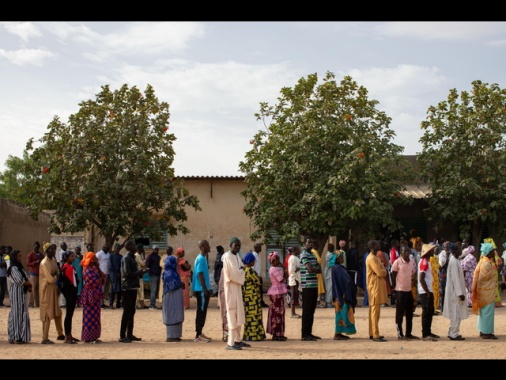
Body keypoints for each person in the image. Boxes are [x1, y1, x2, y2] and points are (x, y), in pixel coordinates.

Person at [222, 237, 248, 350]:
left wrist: (241, 269)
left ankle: (238, 340)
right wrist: (243, 270)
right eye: (236, 245)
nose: (237, 248)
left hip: (237, 287)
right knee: (232, 313)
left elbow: (240, 267)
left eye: (239, 246)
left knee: (238, 313)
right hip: (231, 288)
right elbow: (234, 273)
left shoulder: (236, 256)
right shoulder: (227, 257)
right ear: (231, 245)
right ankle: (230, 343)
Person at [119, 239, 147, 343]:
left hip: (133, 286)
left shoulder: (132, 257)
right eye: (134, 245)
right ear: (130, 247)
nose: (136, 247)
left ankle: (129, 334)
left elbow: (133, 273)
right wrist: (138, 272)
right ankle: (122, 336)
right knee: (127, 312)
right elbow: (127, 273)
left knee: (132, 311)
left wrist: (141, 273)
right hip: (127, 288)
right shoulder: (126, 258)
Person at [390, 244, 418, 340]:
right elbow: (393, 275)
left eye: (407, 251)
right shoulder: (397, 262)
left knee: (409, 313)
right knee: (400, 313)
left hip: (408, 290)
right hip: (400, 290)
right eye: (404, 251)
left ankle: (408, 333)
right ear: (401, 253)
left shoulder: (411, 261)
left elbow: (413, 273)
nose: (406, 253)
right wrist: (394, 288)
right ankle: (400, 334)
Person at [39, 242, 64, 344]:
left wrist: (55, 276)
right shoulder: (44, 263)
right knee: (47, 313)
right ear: (46, 251)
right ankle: (45, 338)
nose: (53, 251)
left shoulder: (53, 260)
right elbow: (50, 279)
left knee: (57, 312)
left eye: (54, 249)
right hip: (46, 290)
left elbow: (57, 272)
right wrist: (55, 276)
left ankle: (60, 334)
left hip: (54, 289)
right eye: (51, 249)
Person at [472, 242, 498, 340]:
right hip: (486, 292)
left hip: (483, 292)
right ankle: (487, 333)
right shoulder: (487, 263)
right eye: (492, 251)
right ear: (488, 252)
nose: (494, 253)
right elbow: (483, 278)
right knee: (488, 313)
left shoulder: (483, 261)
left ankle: (483, 330)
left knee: (483, 313)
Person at [442, 242, 468, 340]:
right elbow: (455, 279)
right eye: (459, 249)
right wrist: (460, 293)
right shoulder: (453, 262)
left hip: (456, 292)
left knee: (456, 313)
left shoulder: (456, 261)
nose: (461, 250)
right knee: (456, 314)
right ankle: (454, 334)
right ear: (455, 251)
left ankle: (453, 332)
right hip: (455, 293)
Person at [299, 236, 322, 341]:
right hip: (307, 285)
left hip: (314, 285)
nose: (311, 245)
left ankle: (309, 332)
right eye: (309, 243)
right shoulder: (303, 254)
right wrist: (315, 269)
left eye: (312, 243)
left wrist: (315, 269)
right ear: (304, 244)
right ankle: (305, 333)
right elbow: (310, 269)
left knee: (312, 310)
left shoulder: (312, 254)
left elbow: (318, 269)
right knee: (307, 310)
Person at [331, 249, 357, 340]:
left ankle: (339, 332)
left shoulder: (336, 268)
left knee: (340, 314)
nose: (343, 259)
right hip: (341, 296)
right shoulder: (338, 268)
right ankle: (337, 334)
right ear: (337, 259)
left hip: (338, 295)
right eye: (341, 257)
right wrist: (347, 293)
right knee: (342, 314)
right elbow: (346, 281)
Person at [365, 239, 388, 342]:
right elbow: (380, 272)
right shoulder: (371, 258)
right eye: (377, 244)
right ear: (373, 247)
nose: (379, 245)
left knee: (375, 311)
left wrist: (383, 269)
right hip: (374, 286)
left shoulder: (376, 257)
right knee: (375, 311)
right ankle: (375, 335)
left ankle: (372, 332)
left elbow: (383, 268)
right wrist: (383, 270)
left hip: (377, 286)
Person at [7, 249, 32, 344]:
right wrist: (29, 284)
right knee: (16, 314)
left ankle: (22, 336)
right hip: (16, 294)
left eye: (21, 256)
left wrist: (29, 285)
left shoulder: (20, 268)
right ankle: (16, 337)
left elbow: (26, 277)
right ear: (14, 257)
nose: (20, 258)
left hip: (22, 294)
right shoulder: (13, 268)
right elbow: (19, 281)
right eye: (18, 256)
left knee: (22, 313)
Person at [80, 250, 104, 343]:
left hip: (96, 294)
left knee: (96, 315)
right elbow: (91, 282)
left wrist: (98, 269)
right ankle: (88, 338)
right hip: (89, 294)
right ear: (91, 260)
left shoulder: (94, 268)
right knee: (89, 315)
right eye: (94, 258)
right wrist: (99, 280)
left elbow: (103, 277)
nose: (96, 259)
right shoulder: (86, 270)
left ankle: (95, 336)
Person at [242, 251, 267, 341]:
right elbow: (258, 281)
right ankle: (255, 335)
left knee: (248, 317)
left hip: (246, 297)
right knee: (255, 316)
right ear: (251, 262)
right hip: (253, 297)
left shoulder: (243, 270)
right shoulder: (251, 271)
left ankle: (248, 335)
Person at [192, 240, 212, 343]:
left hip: (201, 289)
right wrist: (205, 289)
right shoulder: (200, 259)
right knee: (201, 311)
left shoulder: (203, 258)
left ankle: (200, 333)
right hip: (201, 290)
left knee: (202, 311)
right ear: (203, 247)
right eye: (207, 245)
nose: (209, 246)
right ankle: (198, 335)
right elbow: (200, 274)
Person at [418, 243, 439, 341]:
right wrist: (427, 291)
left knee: (430, 311)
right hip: (425, 291)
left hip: (427, 289)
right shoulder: (424, 262)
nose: (433, 251)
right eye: (431, 250)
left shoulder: (427, 261)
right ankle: (425, 334)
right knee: (426, 312)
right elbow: (421, 278)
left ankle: (428, 332)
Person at [162, 255, 185, 342]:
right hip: (171, 298)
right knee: (172, 314)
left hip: (175, 297)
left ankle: (176, 335)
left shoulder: (174, 273)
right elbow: (172, 285)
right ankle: (171, 336)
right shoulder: (168, 273)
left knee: (177, 313)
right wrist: (181, 284)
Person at [266, 251, 287, 341]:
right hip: (276, 293)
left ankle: (279, 333)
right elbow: (281, 280)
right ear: (273, 261)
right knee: (277, 314)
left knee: (279, 313)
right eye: (277, 260)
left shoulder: (274, 269)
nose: (278, 261)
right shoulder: (274, 269)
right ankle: (277, 334)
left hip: (277, 292)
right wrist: (284, 269)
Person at [60, 251, 80, 344]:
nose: (73, 258)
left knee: (70, 315)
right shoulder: (66, 267)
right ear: (67, 257)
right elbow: (71, 281)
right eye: (71, 256)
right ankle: (67, 336)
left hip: (72, 292)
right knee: (68, 315)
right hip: (69, 292)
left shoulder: (71, 267)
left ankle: (69, 334)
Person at [26, 241, 44, 308]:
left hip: (40, 273)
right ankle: (32, 303)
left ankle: (38, 303)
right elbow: (27, 264)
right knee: (33, 288)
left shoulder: (41, 254)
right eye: (35, 246)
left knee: (38, 288)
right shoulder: (30, 254)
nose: (36, 248)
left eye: (37, 247)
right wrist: (34, 262)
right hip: (33, 273)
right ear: (34, 246)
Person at [252, 243, 268, 308]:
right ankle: (257, 302)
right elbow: (253, 267)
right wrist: (255, 276)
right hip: (255, 276)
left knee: (260, 290)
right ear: (256, 248)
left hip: (259, 275)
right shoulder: (253, 255)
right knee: (256, 290)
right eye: (259, 248)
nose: (261, 249)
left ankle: (261, 302)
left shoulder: (258, 255)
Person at [95, 243, 111, 308]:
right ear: (103, 247)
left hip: (108, 273)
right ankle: (100, 303)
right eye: (107, 248)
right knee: (101, 288)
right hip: (102, 273)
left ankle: (103, 301)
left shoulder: (108, 254)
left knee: (106, 289)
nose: (108, 249)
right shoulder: (99, 254)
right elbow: (95, 261)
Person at [146, 245, 162, 310]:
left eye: (157, 249)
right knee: (153, 290)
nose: (156, 251)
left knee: (156, 291)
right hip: (153, 276)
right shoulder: (150, 257)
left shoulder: (158, 257)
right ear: (152, 249)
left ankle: (154, 304)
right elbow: (147, 267)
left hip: (158, 275)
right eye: (155, 249)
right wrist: (151, 274)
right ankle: (152, 305)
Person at [288, 245, 301, 318]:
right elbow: (291, 270)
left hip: (296, 279)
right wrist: (299, 268)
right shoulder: (292, 258)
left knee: (296, 296)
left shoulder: (296, 258)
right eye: (298, 250)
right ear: (295, 250)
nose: (300, 251)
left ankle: (294, 312)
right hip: (294, 280)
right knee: (293, 296)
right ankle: (292, 313)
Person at [108, 243, 123, 309]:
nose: (118, 250)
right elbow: (110, 265)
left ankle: (118, 304)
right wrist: (115, 272)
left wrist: (120, 272)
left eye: (119, 249)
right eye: (117, 249)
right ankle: (111, 304)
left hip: (119, 274)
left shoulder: (120, 256)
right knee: (113, 289)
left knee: (119, 289)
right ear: (114, 248)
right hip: (113, 274)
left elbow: (122, 265)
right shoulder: (111, 256)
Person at [323, 243, 336, 308]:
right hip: (328, 274)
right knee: (329, 289)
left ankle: (328, 302)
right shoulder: (330, 255)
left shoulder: (328, 254)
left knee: (328, 288)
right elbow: (332, 263)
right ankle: (328, 303)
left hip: (327, 273)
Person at [134, 243, 147, 309]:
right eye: (142, 248)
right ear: (140, 249)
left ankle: (141, 304)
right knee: (139, 290)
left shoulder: (138, 255)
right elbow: (143, 264)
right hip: (138, 274)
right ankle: (138, 304)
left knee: (141, 290)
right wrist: (144, 256)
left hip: (140, 274)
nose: (143, 250)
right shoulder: (137, 256)